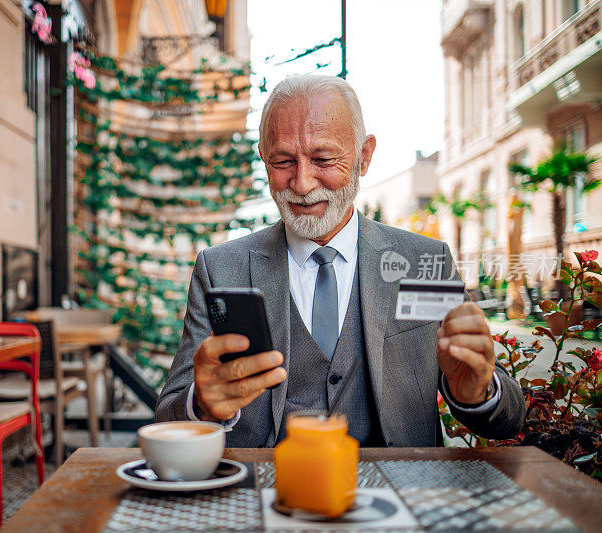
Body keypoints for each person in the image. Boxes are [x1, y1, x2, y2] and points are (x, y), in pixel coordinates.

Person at [155, 75, 525, 448]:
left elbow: (509, 417)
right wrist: (201, 405)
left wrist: (477, 392)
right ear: (263, 158)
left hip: (398, 492)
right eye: (283, 161)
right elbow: (169, 414)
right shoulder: (219, 269)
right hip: (260, 494)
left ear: (364, 157)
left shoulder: (422, 262)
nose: (301, 183)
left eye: (323, 159)